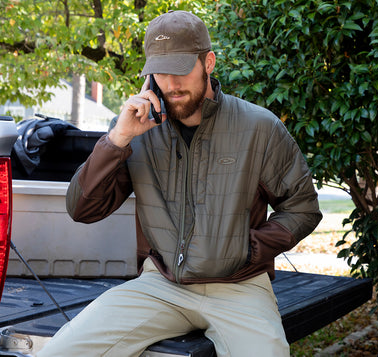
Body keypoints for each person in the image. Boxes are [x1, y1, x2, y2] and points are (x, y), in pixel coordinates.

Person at [37, 9, 322, 357]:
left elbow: (302, 208)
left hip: (240, 287)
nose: (170, 84)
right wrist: (118, 139)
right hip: (160, 283)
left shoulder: (258, 127)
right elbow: (82, 209)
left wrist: (246, 250)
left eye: (182, 69)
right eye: (160, 71)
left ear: (209, 62)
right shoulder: (136, 130)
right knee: (59, 352)